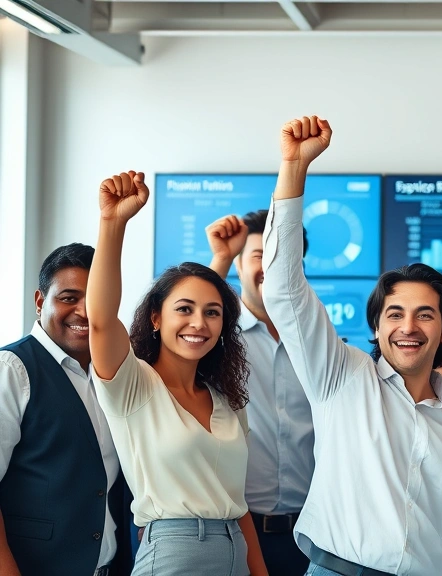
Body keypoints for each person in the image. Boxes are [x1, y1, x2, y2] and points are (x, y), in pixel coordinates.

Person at [261, 116, 442, 576]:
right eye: (395, 314)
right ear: (376, 326)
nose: (408, 327)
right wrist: (293, 167)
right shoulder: (340, 376)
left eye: (425, 315)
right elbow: (283, 291)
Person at [87, 171, 268, 576]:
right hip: (174, 553)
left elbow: (236, 505)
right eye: (183, 310)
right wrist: (112, 223)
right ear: (155, 318)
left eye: (213, 314)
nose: (198, 323)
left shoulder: (225, 398)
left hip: (236, 549)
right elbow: (100, 320)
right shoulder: (132, 385)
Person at [0, 243, 132, 576]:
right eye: (69, 298)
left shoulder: (113, 374)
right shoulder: (11, 369)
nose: (85, 311)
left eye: (97, 299)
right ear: (40, 302)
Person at [206, 210, 315, 576]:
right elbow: (177, 331)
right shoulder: (212, 339)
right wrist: (219, 258)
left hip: (312, 536)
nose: (271, 265)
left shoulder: (319, 343)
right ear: (238, 266)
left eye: (285, 257)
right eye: (258, 255)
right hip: (234, 531)